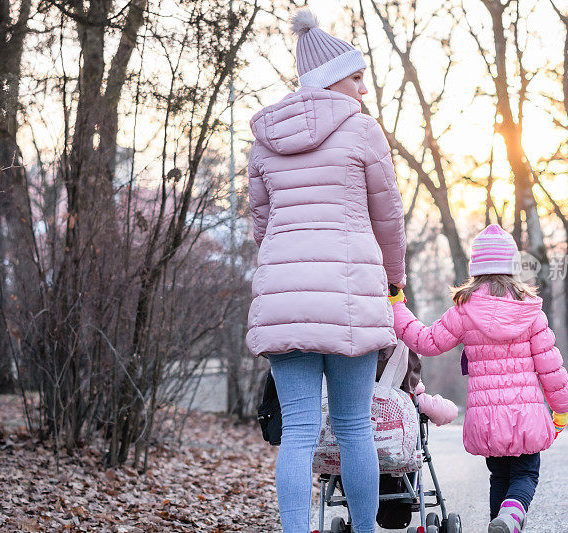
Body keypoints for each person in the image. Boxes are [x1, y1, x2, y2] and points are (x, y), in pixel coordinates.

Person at [246, 9, 406, 533]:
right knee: (355, 428)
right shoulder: (363, 132)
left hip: (284, 298)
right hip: (350, 296)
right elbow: (388, 217)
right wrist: (394, 281)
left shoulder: (264, 137)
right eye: (357, 77)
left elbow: (261, 224)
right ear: (332, 78)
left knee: (298, 432)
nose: (364, 88)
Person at [388, 224, 568, 533]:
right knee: (526, 474)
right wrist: (561, 408)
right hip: (525, 414)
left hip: (487, 417)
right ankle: (511, 516)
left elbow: (425, 341)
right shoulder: (531, 311)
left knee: (499, 476)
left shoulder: (464, 310)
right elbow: (550, 367)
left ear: (476, 268)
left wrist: (397, 307)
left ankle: (499, 523)